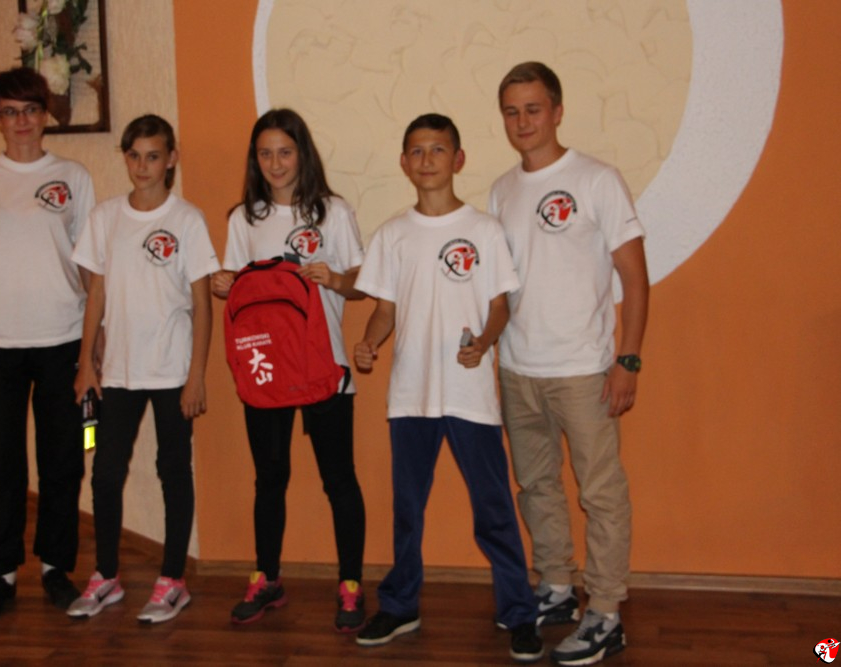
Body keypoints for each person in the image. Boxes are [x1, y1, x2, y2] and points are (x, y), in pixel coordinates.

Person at [352, 113, 543, 664]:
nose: (427, 160)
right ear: (404, 162)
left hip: (470, 397)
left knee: (494, 509)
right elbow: (385, 310)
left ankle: (518, 611)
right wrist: (369, 343)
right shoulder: (392, 235)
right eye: (417, 151)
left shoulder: (484, 230)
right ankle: (400, 605)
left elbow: (500, 306)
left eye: (438, 149)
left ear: (458, 159)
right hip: (410, 396)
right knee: (407, 510)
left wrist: (483, 342)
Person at [489, 61, 649, 666]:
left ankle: (605, 611)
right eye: (511, 111)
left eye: (533, 109)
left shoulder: (597, 179)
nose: (523, 121)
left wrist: (627, 359)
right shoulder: (501, 190)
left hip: (584, 369)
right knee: (536, 486)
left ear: (557, 111)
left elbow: (635, 278)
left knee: (601, 493)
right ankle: (556, 586)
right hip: (517, 367)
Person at [0, 68, 95, 622]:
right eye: (10, 112)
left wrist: (96, 341)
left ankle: (56, 568)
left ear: (44, 114)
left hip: (63, 338)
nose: (22, 122)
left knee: (64, 462)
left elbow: (90, 265)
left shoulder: (73, 176)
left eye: (30, 110)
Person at [212, 108, 367, 633]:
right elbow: (236, 287)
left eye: (285, 151)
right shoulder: (244, 218)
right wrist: (224, 283)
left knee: (339, 479)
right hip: (264, 370)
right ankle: (267, 578)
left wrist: (336, 279)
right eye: (265, 153)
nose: (275, 163)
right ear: (254, 159)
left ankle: (351, 584)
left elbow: (362, 282)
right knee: (269, 479)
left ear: (303, 154)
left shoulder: (333, 212)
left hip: (325, 365)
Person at [66, 114, 219, 624]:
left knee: (173, 470)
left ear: (171, 159)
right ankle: (106, 575)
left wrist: (196, 375)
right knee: (105, 471)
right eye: (134, 156)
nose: (142, 166)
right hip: (118, 371)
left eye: (153, 156)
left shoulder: (187, 220)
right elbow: (96, 294)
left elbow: (202, 305)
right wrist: (86, 364)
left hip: (173, 370)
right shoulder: (106, 217)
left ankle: (173, 580)